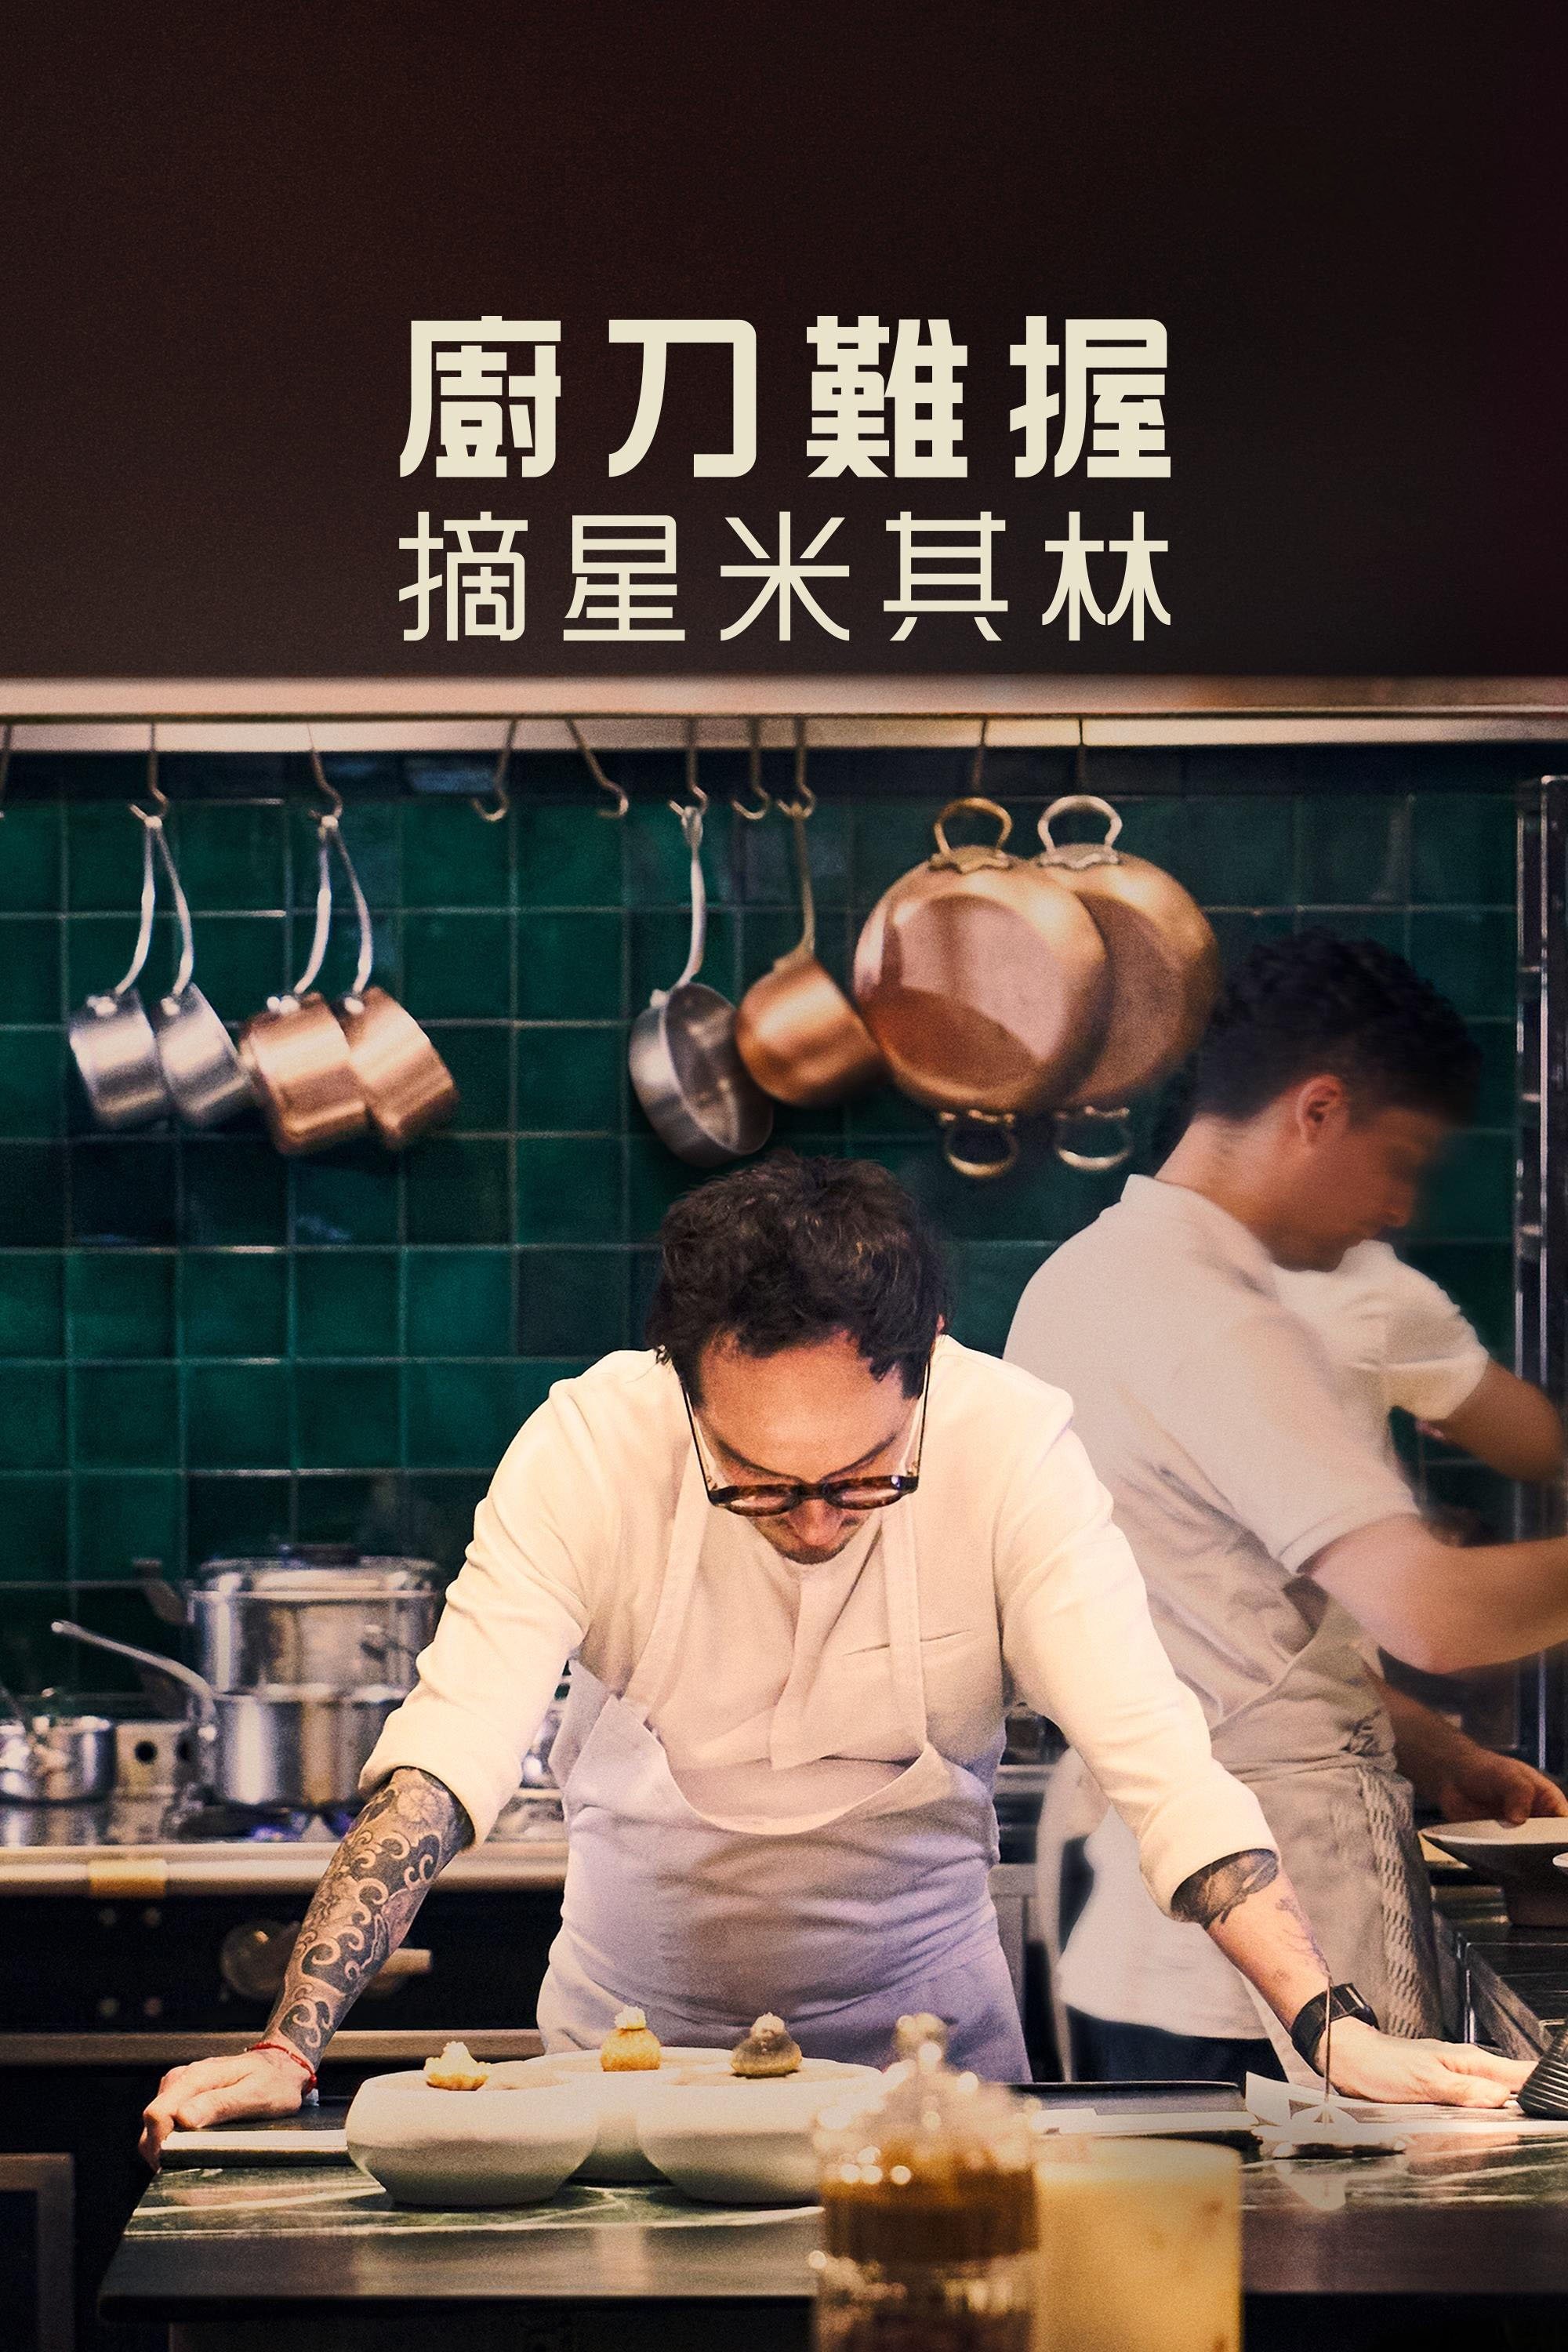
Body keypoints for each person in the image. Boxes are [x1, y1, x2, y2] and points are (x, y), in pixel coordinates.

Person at [141, 1153, 1524, 2160]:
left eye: (862, 1477)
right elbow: (447, 1757)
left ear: (928, 1363)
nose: (812, 1522)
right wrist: (289, 2046)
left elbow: (1158, 1757)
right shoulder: (588, 1447)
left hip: (935, 2075)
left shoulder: (1010, 1446)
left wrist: (1332, 2029)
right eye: (759, 1480)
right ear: (682, 1377)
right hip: (624, 2072)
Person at [1007, 933, 1568, 2086]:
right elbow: (1436, 1615)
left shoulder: (1076, 1280)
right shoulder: (1221, 1323)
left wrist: (1432, 1747)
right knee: (1328, 2210)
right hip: (1275, 1954)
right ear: (1319, 1112)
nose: (1396, 1208)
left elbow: (1209, 1639)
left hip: (1146, 1938)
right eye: (1398, 1161)